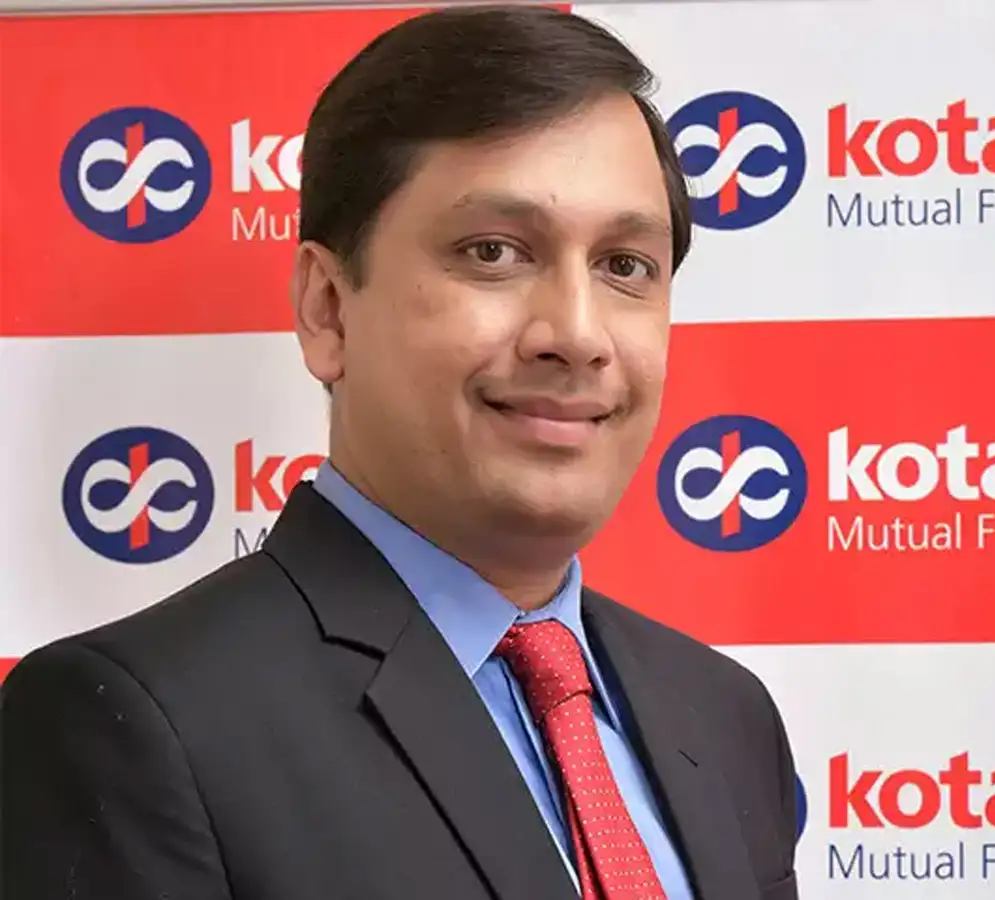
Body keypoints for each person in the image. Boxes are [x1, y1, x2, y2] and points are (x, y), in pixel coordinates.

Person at [0, 6, 799, 899]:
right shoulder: (134, 727)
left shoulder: (726, 718)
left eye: (624, 266)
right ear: (328, 310)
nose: (577, 334)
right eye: (494, 252)